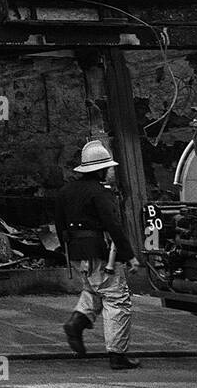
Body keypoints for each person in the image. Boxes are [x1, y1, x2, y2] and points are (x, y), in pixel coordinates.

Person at [54, 139, 142, 370]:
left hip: (76, 252)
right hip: (100, 253)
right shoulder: (100, 193)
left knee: (95, 290)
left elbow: (60, 225)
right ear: (101, 170)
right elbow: (114, 226)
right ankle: (117, 355)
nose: (110, 171)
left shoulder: (65, 191)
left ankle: (76, 323)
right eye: (109, 168)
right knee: (117, 298)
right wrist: (129, 255)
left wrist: (70, 252)